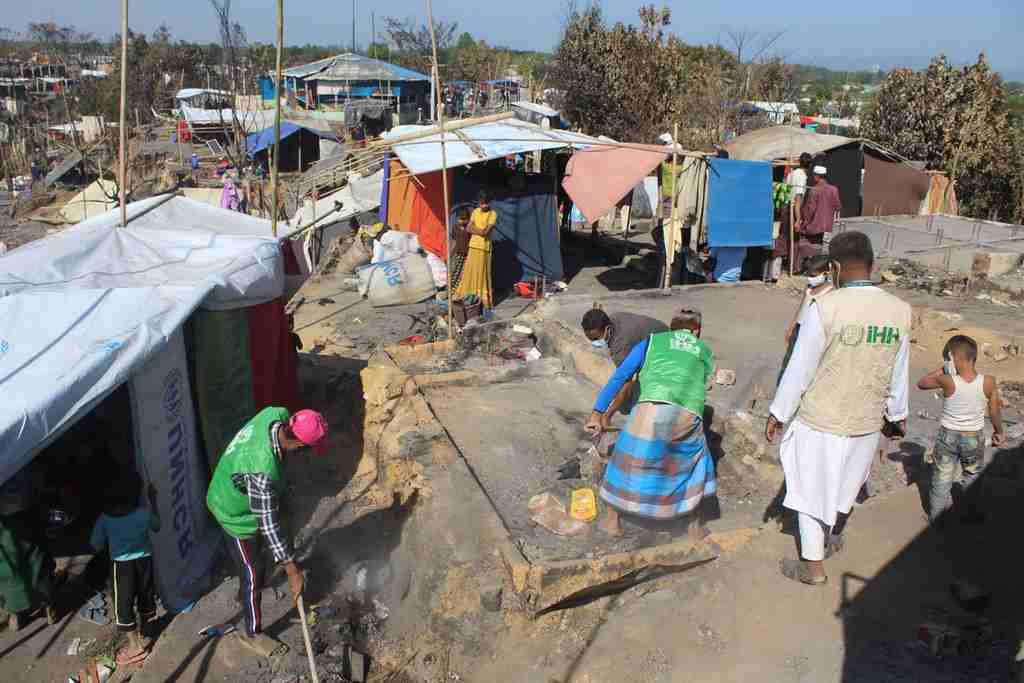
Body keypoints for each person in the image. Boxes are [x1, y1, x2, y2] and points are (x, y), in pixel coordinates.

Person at [766, 231, 910, 586]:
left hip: (823, 419)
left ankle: (812, 568)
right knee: (844, 485)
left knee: (810, 491)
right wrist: (896, 416)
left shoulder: (825, 308)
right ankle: (830, 537)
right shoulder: (899, 311)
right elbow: (899, 369)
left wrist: (779, 413)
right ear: (873, 264)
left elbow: (801, 367)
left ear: (832, 267)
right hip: (865, 419)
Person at [206, 407, 328, 657]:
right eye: (306, 450)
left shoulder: (276, 414)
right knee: (253, 572)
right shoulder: (261, 470)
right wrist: (292, 571)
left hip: (251, 492)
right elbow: (269, 527)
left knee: (271, 547)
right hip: (233, 512)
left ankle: (259, 586)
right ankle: (253, 633)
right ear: (296, 443)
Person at [585, 310, 718, 536]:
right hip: (687, 413)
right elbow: (707, 382)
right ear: (696, 330)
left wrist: (598, 412)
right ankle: (693, 525)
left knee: (626, 461)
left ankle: (612, 521)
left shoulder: (651, 342)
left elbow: (621, 377)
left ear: (672, 326)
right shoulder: (704, 350)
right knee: (694, 464)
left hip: (651, 409)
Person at [916, 335, 1005, 524]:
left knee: (941, 477)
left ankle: (937, 517)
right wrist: (999, 432)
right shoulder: (988, 381)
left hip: (947, 436)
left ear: (952, 356)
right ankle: (971, 515)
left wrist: (943, 368)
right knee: (972, 476)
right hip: (974, 437)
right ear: (974, 356)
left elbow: (922, 383)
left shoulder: (947, 381)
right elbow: (995, 410)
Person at [90, 475, 160, 665]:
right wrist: (153, 502)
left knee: (123, 605)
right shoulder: (142, 514)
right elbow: (157, 526)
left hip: (121, 567)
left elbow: (95, 545)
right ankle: (146, 630)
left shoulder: (105, 519)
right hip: (145, 562)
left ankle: (136, 646)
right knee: (146, 595)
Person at [581, 305, 669, 420]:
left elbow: (625, 381)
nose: (593, 343)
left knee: (633, 405)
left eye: (596, 339)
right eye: (590, 339)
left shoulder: (620, 345)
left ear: (607, 329)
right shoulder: (614, 318)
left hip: (664, 352)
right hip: (662, 333)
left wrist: (608, 415)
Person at [0, 463, 56, 631]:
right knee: (37, 556)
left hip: (4, 514)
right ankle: (49, 608)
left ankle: (16, 614)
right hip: (26, 503)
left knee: (7, 565)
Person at [778, 254, 834, 384]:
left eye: (813, 275)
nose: (810, 278)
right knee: (789, 359)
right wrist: (791, 327)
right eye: (808, 275)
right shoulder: (809, 288)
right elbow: (801, 307)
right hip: (799, 327)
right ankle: (783, 384)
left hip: (813, 332)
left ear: (825, 273)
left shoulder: (831, 292)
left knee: (806, 362)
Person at [454, 191, 497, 309]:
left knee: (482, 274)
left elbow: (486, 232)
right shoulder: (475, 212)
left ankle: (482, 300)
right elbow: (469, 228)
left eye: (485, 203)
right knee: (470, 272)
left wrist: (476, 229)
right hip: (473, 246)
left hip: (484, 248)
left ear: (490, 202)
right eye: (481, 203)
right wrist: (480, 231)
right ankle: (467, 296)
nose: (483, 206)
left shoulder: (493, 214)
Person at [795, 165, 841, 271]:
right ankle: (818, 267)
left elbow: (809, 210)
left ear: (816, 177)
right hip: (827, 225)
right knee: (819, 244)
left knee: (805, 244)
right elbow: (838, 206)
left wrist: (803, 222)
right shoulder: (834, 189)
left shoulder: (814, 190)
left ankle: (802, 268)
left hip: (814, 224)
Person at [449, 208, 472, 292]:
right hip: (458, 253)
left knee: (463, 274)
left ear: (468, 219)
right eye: (460, 219)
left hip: (467, 254)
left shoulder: (470, 228)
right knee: (455, 271)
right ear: (457, 218)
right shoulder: (455, 228)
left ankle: (459, 291)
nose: (462, 221)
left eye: (464, 219)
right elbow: (454, 241)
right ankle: (451, 291)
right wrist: (450, 254)